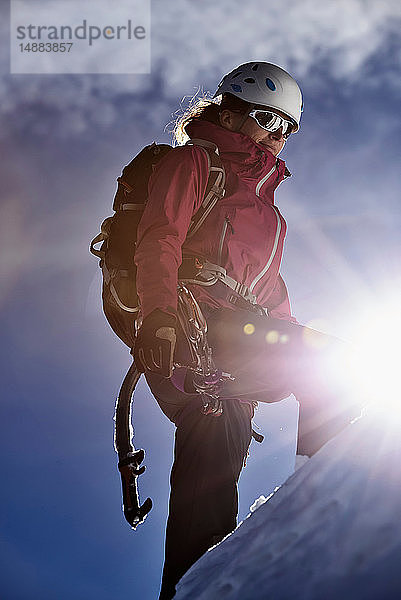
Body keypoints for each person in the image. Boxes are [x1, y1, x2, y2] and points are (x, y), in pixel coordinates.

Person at [132, 62, 361, 599]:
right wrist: (160, 315)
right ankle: (322, 493)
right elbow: (159, 237)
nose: (277, 138)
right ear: (231, 113)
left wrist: (291, 337)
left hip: (239, 333)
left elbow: (269, 293)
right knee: (324, 366)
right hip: (196, 321)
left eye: (287, 129)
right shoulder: (193, 162)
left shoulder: (266, 210)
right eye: (267, 120)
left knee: (219, 441)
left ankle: (201, 580)